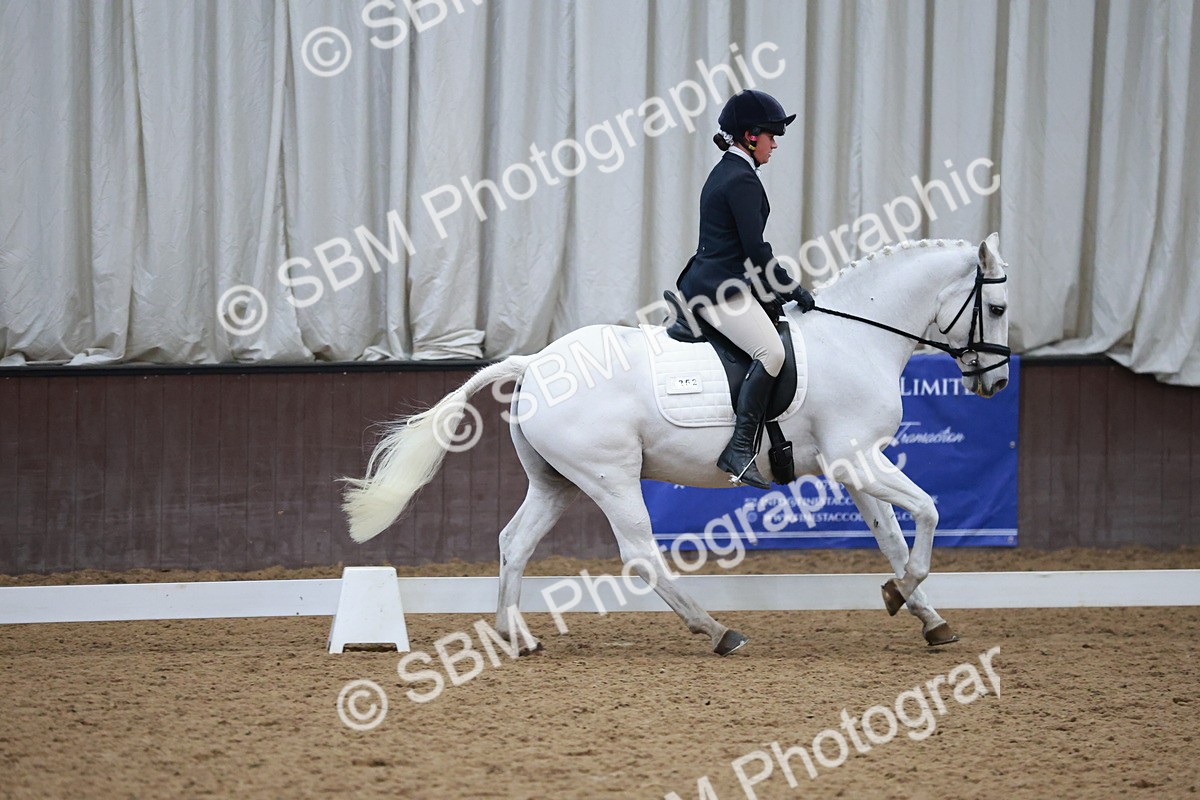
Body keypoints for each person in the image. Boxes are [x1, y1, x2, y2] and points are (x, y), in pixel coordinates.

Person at [676, 89, 814, 490]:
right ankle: (739, 448)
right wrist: (790, 287)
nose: (775, 145)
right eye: (771, 136)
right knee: (770, 352)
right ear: (750, 136)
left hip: (715, 278)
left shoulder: (728, 171)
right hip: (721, 288)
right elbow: (755, 251)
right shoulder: (741, 180)